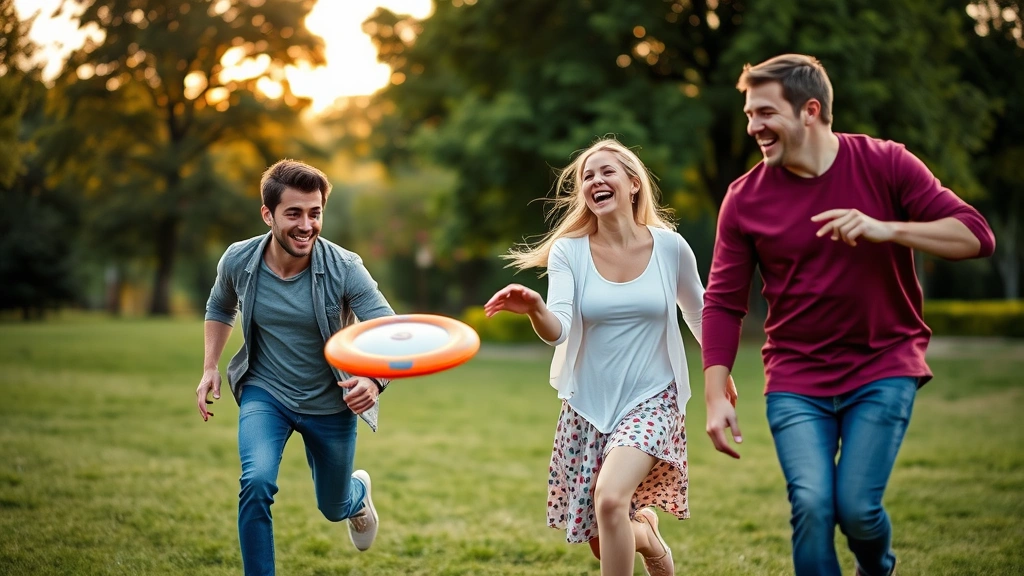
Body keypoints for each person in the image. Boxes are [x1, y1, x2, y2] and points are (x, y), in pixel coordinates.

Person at [701, 54, 996, 576]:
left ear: (809, 110)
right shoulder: (744, 199)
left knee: (858, 508)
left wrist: (890, 229)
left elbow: (976, 236)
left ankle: (877, 566)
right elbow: (723, 301)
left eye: (765, 113)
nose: (753, 127)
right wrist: (715, 394)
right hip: (796, 376)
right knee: (813, 505)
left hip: (884, 365)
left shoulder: (886, 163)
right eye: (749, 114)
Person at [485, 138, 734, 576]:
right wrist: (536, 309)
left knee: (611, 498)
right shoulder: (570, 251)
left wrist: (719, 370)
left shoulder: (670, 248)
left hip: (654, 396)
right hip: (590, 406)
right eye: (587, 176)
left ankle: (641, 531)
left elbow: (700, 313)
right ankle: (649, 538)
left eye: (607, 172)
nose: (595, 181)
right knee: (604, 537)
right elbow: (558, 329)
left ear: (634, 184)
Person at [196, 159, 396, 576]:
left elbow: (387, 330)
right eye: (294, 213)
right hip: (265, 394)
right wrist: (210, 366)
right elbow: (220, 305)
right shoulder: (239, 259)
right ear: (268, 214)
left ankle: (356, 497)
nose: (306, 225)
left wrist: (374, 381)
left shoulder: (344, 267)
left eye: (315, 212)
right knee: (256, 483)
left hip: (330, 403)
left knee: (333, 506)